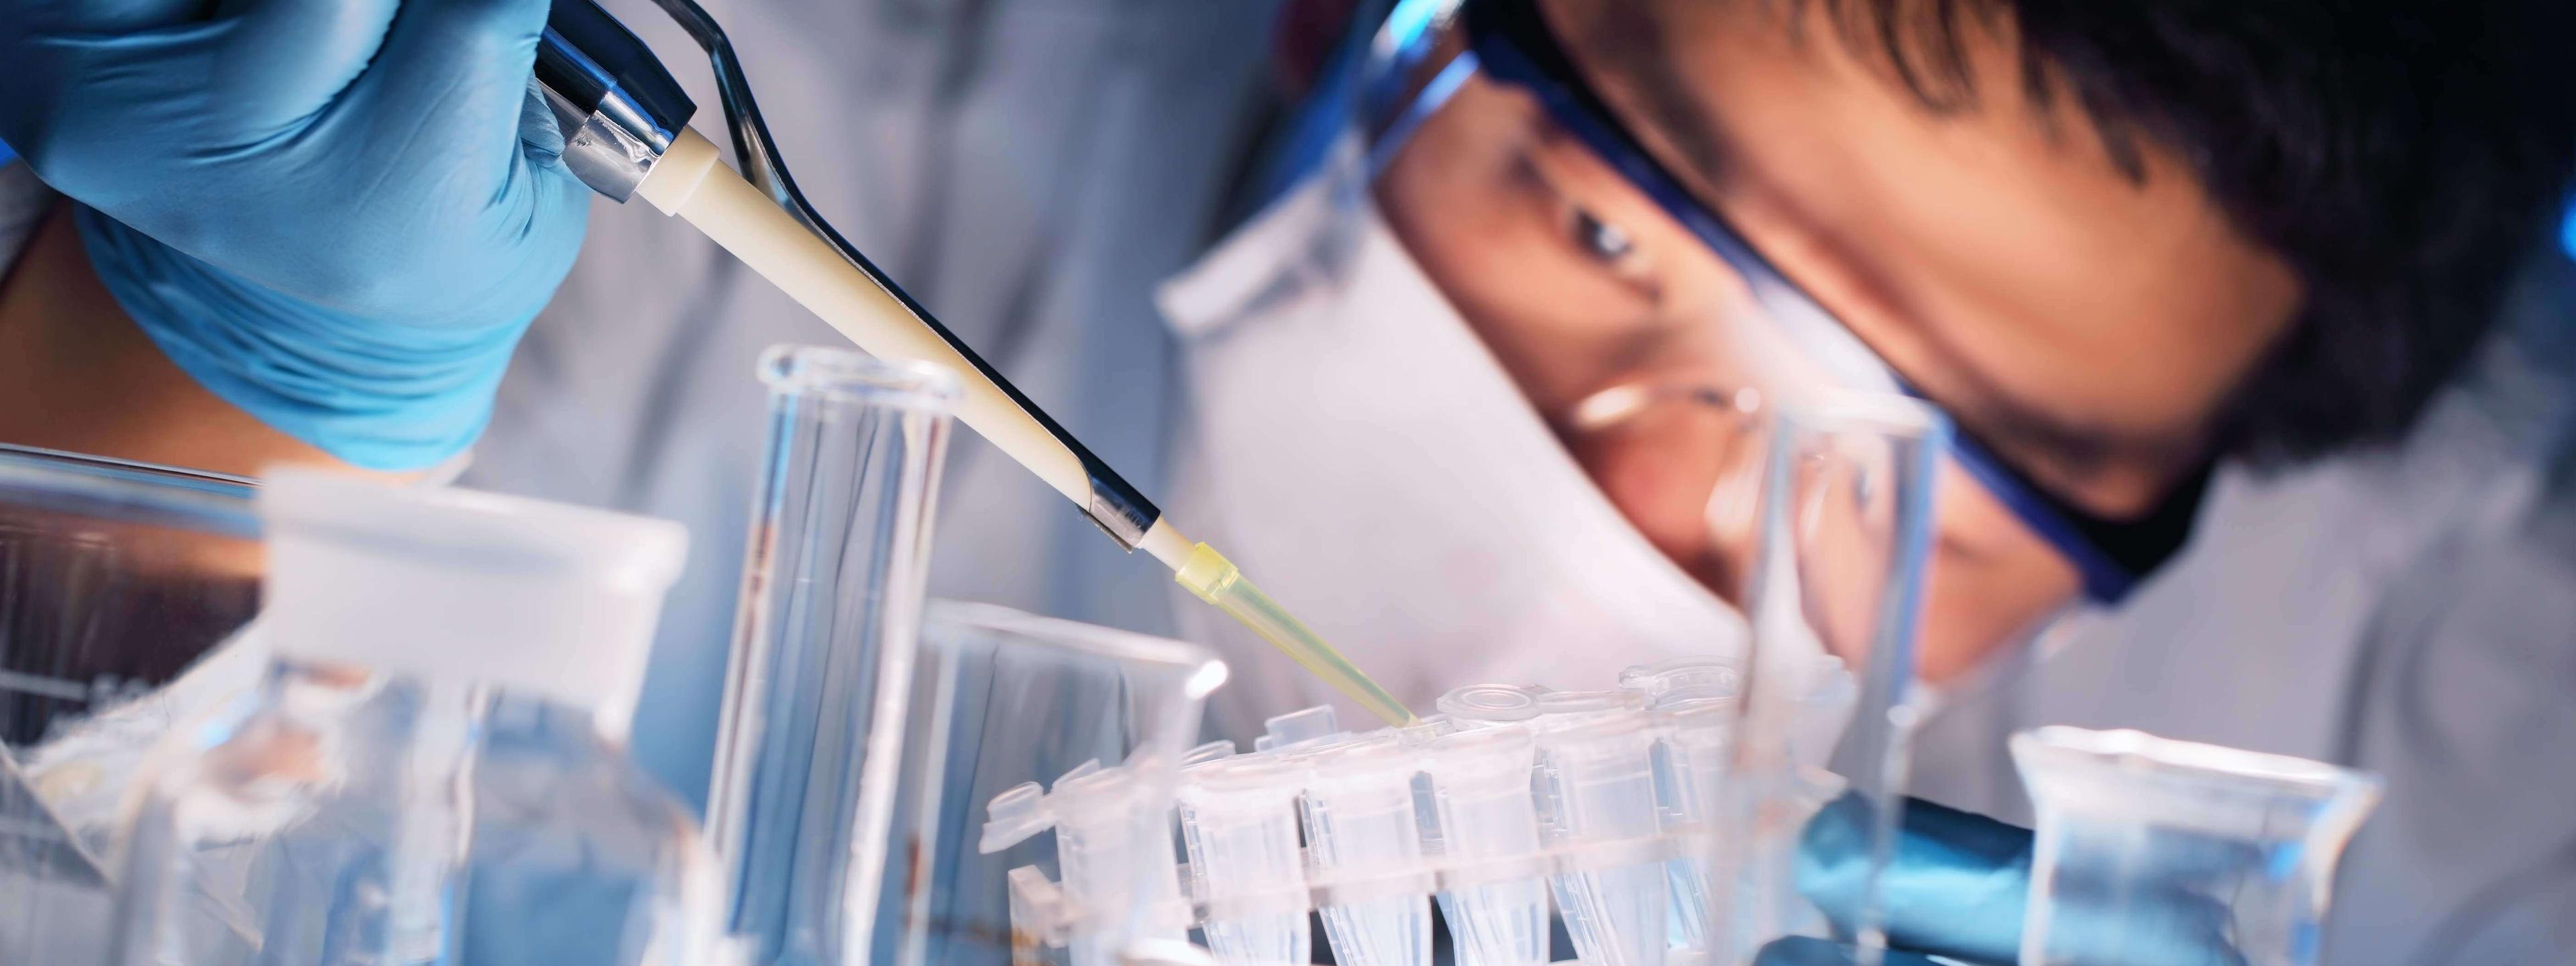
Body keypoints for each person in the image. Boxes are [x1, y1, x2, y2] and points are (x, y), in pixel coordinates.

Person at [3, 0, 2572, 961]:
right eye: (1603, 222)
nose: (1656, 498)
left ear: (2217, 498)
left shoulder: (2471, 684)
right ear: (1365, 35)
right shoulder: (800, 139)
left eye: (1947, 472)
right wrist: (209, 368)